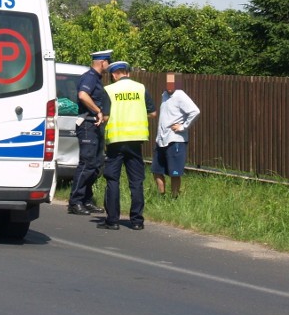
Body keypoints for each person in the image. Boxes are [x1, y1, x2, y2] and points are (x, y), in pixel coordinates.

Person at [98, 61, 156, 230]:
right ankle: (137, 221)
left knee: (112, 179)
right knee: (136, 180)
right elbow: (152, 113)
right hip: (136, 140)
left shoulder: (109, 90)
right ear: (128, 73)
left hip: (116, 141)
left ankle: (113, 220)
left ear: (115, 75)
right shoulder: (140, 88)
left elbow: (106, 116)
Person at [68, 49, 112, 216]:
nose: (108, 64)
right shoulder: (90, 77)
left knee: (96, 165)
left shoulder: (96, 78)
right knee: (86, 163)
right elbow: (83, 95)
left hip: (95, 127)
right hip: (87, 125)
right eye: (108, 61)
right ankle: (75, 202)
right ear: (103, 62)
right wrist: (97, 111)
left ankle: (86, 199)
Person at [153, 72, 200, 198]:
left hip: (175, 140)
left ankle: (174, 199)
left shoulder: (180, 95)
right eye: (168, 83)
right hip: (161, 139)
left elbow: (195, 111)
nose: (170, 86)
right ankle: (161, 197)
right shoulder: (164, 95)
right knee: (156, 171)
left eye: (172, 83)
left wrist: (183, 127)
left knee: (175, 173)